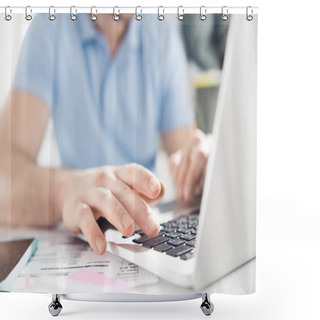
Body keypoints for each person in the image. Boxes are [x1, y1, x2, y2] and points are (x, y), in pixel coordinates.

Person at [0, 14, 212, 255]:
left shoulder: (161, 31)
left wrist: (203, 165)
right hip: (79, 235)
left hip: (144, 236)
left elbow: (185, 158)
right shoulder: (51, 25)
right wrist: (63, 191)